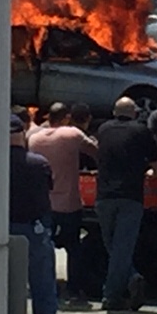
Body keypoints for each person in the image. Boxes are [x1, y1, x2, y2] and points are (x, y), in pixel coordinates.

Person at [94, 96, 157, 312]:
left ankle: (129, 280)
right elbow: (155, 161)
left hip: (103, 196)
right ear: (134, 113)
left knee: (112, 246)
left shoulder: (103, 129)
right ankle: (113, 295)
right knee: (122, 247)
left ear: (114, 112)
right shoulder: (141, 131)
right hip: (131, 196)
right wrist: (153, 173)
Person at [27, 102, 98, 301]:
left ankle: (46, 286)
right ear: (66, 118)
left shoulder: (34, 138)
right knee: (73, 248)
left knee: (43, 247)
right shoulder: (72, 134)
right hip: (69, 203)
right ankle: (74, 290)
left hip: (43, 203)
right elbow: (95, 151)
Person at [10, 113, 64, 314]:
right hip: (34, 227)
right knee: (42, 279)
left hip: (3, 227)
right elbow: (47, 190)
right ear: (22, 134)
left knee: (7, 282)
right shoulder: (38, 163)